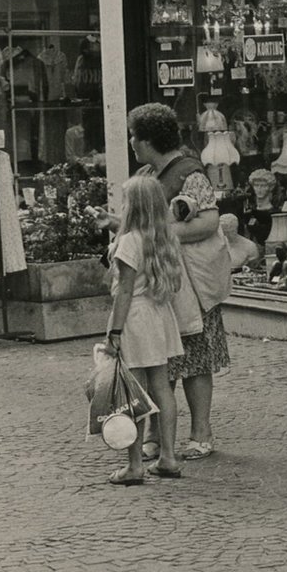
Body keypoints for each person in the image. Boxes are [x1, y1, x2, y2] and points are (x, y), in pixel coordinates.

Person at [117, 103, 232, 461]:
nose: (132, 142)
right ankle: (156, 434)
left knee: (195, 360)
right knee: (159, 358)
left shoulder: (189, 174)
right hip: (160, 283)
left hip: (190, 285)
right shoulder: (148, 172)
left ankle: (201, 433)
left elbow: (209, 222)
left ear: (149, 139)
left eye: (135, 136)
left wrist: (158, 232)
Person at [103, 176, 185, 485]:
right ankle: (169, 456)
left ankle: (135, 464)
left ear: (133, 206)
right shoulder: (163, 238)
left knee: (132, 394)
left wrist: (114, 332)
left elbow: (124, 291)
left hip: (135, 318)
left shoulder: (129, 241)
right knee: (162, 388)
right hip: (159, 314)